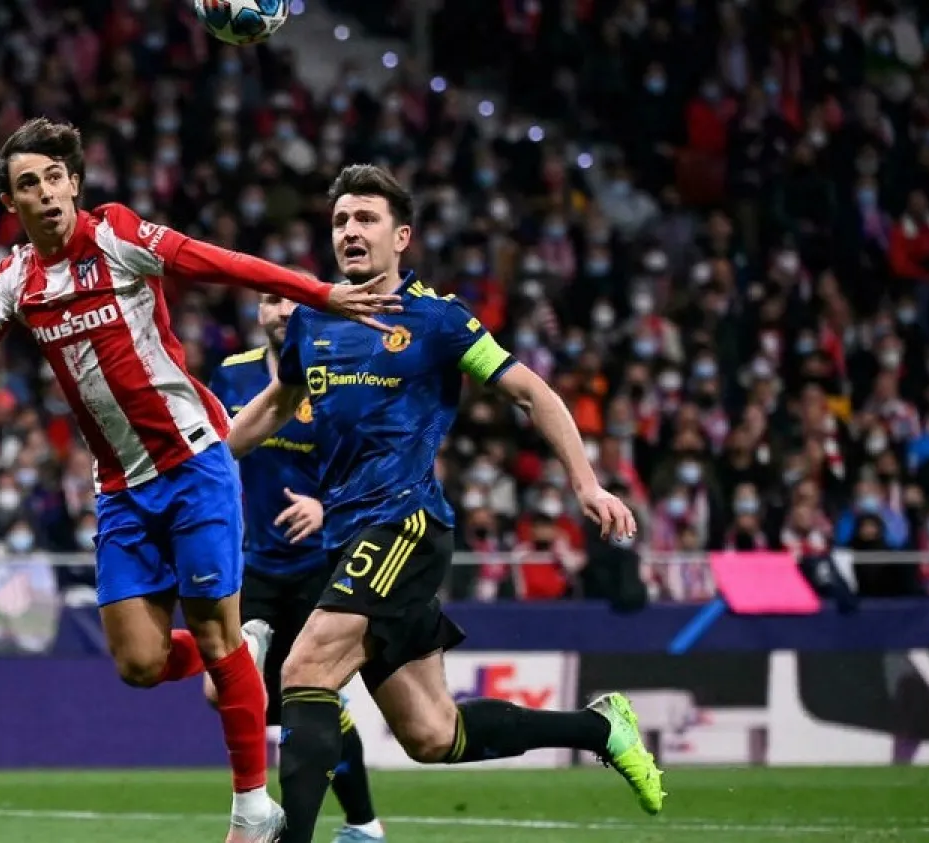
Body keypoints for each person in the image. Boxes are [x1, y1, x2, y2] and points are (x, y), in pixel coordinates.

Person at [0, 118, 399, 842]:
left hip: (195, 459)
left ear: (74, 181)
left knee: (207, 624)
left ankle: (250, 807)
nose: (44, 193)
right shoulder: (15, 278)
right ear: (10, 203)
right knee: (139, 660)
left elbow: (224, 264)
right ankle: (242, 651)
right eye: (26, 185)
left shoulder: (120, 236)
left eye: (52, 177)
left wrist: (321, 294)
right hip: (122, 487)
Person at [227, 165, 665, 843]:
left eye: (366, 219)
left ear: (401, 236)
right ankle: (601, 727)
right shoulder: (312, 319)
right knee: (433, 733)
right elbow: (272, 408)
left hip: (405, 522)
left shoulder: (438, 319)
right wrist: (189, 464)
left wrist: (586, 481)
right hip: (346, 538)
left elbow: (533, 393)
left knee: (304, 668)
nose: (350, 231)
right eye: (342, 220)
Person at [207, 290, 386, 843]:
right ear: (257, 313)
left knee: (310, 702)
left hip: (322, 563)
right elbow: (209, 453)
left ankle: (361, 826)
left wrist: (325, 506)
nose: (283, 310)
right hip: (254, 564)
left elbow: (377, 464)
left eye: (293, 302)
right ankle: (356, 825)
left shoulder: (341, 377)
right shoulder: (231, 375)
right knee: (231, 695)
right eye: (269, 300)